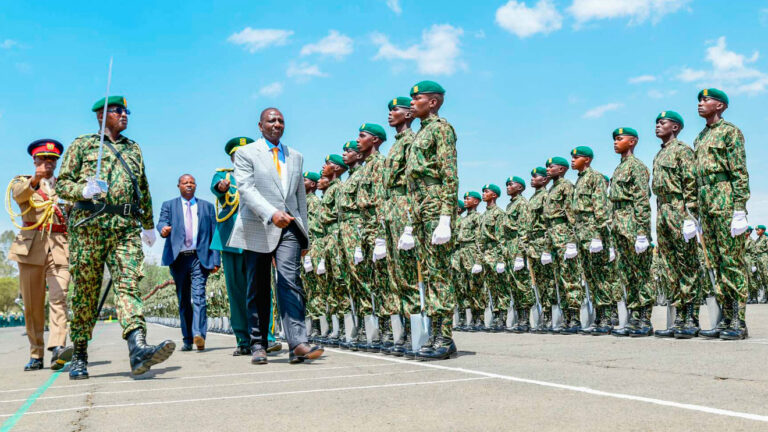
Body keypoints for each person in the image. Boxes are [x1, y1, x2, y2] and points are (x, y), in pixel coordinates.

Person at [56, 95, 173, 379]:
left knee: (128, 285)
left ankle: (138, 347)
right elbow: (62, 184)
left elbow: (142, 187)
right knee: (85, 293)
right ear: (101, 116)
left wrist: (148, 224)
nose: (124, 114)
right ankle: (80, 353)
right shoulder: (82, 144)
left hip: (124, 227)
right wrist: (82, 191)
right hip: (89, 227)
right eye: (117, 110)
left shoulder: (133, 148)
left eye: (126, 111)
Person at [227, 107, 323, 364]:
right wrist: (271, 213)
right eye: (271, 120)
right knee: (258, 285)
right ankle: (258, 343)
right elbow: (246, 189)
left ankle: (298, 343)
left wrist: (304, 234)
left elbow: (300, 198)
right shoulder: (246, 153)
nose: (277, 124)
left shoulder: (295, 156)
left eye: (281, 120)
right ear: (260, 126)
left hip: (289, 227)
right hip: (257, 226)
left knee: (290, 281)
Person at [405, 81, 458, 361]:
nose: (412, 103)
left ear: (433, 102)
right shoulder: (420, 133)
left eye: (418, 98)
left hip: (436, 203)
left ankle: (445, 337)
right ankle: (436, 332)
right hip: (420, 205)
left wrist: (446, 217)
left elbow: (449, 174)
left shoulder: (441, 129)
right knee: (428, 272)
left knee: (439, 273)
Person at [8, 139, 73, 371]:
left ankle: (58, 348)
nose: (48, 163)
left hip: (60, 247)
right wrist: (35, 180)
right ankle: (36, 353)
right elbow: (18, 196)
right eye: (44, 159)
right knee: (33, 305)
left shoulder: (65, 186)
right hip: (31, 249)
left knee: (59, 297)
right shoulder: (22, 183)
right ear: (34, 160)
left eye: (52, 159)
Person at [693, 89, 750, 340]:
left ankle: (738, 320)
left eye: (706, 100)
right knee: (715, 262)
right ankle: (725, 318)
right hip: (705, 201)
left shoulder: (730, 132)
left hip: (724, 196)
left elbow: (739, 171)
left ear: (720, 105)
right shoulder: (700, 137)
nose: (700, 103)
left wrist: (739, 208)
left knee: (731, 261)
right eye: (700, 100)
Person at [649, 111, 701, 338]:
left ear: (675, 127)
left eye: (663, 123)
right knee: (670, 266)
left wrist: (691, 216)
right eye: (656, 123)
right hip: (663, 210)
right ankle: (678, 317)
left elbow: (691, 183)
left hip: (679, 208)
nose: (658, 126)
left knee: (686, 263)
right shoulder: (659, 155)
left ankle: (690, 317)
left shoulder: (683, 150)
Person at [157, 174, 220, 352]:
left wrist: (216, 260)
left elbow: (214, 235)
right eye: (185, 183)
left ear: (196, 186)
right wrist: (163, 229)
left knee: (199, 296)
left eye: (192, 182)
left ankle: (199, 334)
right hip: (178, 259)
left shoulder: (207, 207)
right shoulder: (169, 205)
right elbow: (161, 222)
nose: (189, 185)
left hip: (199, 258)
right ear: (179, 186)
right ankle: (187, 339)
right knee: (184, 299)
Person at [355, 123, 398, 352]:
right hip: (366, 230)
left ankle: (393, 331)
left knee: (385, 280)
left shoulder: (380, 164)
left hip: (377, 229)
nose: (358, 140)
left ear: (375, 140)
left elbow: (382, 201)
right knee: (373, 282)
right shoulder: (364, 168)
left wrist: (381, 236)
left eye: (362, 136)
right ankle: (382, 328)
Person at [383, 96, 418, 356]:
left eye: (395, 109)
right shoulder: (395, 145)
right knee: (396, 277)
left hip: (403, 208)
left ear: (407, 115)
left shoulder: (410, 142)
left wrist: (409, 225)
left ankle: (419, 333)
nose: (390, 113)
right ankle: (405, 332)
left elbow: (413, 184)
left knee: (408, 276)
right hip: (391, 210)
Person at [609, 127, 653, 337]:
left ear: (632, 141)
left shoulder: (636, 166)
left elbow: (642, 200)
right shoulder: (619, 168)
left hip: (633, 224)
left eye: (620, 139)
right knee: (627, 274)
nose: (615, 142)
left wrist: (642, 232)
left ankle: (644, 318)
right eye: (615, 139)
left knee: (641, 272)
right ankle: (634, 316)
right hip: (619, 224)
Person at [570, 146, 616, 335]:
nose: (573, 160)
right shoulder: (580, 180)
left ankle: (606, 317)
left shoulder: (594, 177)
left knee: (600, 275)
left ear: (587, 159)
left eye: (577, 157)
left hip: (593, 232)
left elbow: (600, 207)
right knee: (590, 276)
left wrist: (598, 236)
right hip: (582, 233)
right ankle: (598, 316)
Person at [543, 157, 582, 334]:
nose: (548, 169)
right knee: (559, 278)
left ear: (561, 169)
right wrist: (547, 247)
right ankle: (566, 317)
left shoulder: (566, 186)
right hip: (553, 235)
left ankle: (574, 317)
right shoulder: (552, 189)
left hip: (564, 235)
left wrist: (572, 241)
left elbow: (571, 214)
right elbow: (548, 221)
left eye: (551, 167)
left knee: (570, 276)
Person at [336, 140, 368, 350]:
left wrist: (359, 241)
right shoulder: (349, 179)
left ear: (358, 155)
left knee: (363, 279)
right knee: (351, 282)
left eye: (348, 151)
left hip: (356, 230)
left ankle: (372, 328)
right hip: (345, 232)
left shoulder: (362, 174)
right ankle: (359, 326)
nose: (344, 154)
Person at [315, 154, 348, 348]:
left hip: (335, 237)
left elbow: (340, 217)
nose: (323, 167)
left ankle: (349, 329)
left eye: (327, 164)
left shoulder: (338, 189)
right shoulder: (328, 192)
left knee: (341, 283)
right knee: (331, 286)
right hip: (327, 239)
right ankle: (339, 328)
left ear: (336, 168)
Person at [527, 167, 555, 333]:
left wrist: (547, 247)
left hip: (542, 242)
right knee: (539, 281)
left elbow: (548, 223)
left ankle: (552, 314)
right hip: (533, 244)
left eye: (536, 176)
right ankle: (545, 313)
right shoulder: (533, 198)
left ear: (544, 179)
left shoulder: (546, 196)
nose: (532, 178)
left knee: (549, 280)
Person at [504, 176, 533, 333]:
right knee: (513, 283)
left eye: (511, 184)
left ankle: (525, 319)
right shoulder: (510, 205)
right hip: (510, 246)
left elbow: (524, 229)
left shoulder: (522, 203)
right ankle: (519, 316)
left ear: (520, 187)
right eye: (507, 185)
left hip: (517, 245)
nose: (508, 187)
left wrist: (521, 254)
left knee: (522, 283)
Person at [479, 184, 508, 332]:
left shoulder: (499, 213)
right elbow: (480, 239)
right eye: (483, 192)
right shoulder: (483, 215)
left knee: (500, 285)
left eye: (486, 192)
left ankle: (502, 316)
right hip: (486, 253)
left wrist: (502, 259)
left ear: (494, 195)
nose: (483, 194)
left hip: (496, 252)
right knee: (491, 286)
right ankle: (495, 314)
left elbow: (502, 237)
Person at [301, 171, 325, 341]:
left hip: (313, 248)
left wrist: (311, 250)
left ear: (312, 185)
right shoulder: (303, 202)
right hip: (306, 249)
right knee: (308, 289)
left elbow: (314, 228)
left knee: (316, 288)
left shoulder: (313, 202)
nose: (300, 183)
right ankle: (313, 325)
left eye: (304, 180)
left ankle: (319, 327)